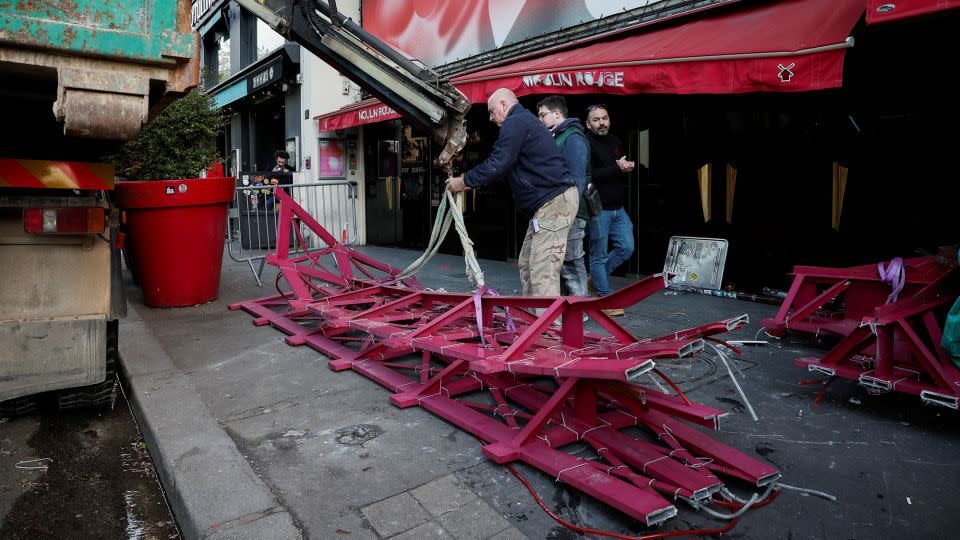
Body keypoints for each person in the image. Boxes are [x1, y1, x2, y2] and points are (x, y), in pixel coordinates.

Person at [446, 88, 578, 298]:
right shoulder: (522, 122)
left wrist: (463, 182)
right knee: (527, 263)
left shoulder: (515, 122)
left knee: (542, 269)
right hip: (546, 205)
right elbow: (502, 169)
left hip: (553, 203)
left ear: (504, 105)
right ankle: (533, 320)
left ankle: (548, 328)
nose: (490, 118)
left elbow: (497, 164)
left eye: (491, 111)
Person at [585, 104, 636, 315]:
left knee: (627, 247)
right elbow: (591, 174)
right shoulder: (586, 143)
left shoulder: (615, 140)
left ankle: (596, 279)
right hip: (598, 209)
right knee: (598, 255)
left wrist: (627, 167)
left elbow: (619, 163)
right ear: (588, 124)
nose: (601, 123)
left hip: (618, 208)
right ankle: (604, 298)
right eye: (596, 120)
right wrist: (617, 168)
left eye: (604, 118)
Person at [536, 95, 589, 298]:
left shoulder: (573, 138)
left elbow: (577, 180)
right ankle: (571, 308)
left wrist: (568, 212)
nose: (539, 120)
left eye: (542, 115)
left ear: (557, 114)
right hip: (563, 210)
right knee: (563, 260)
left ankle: (579, 309)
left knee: (572, 260)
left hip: (570, 212)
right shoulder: (560, 135)